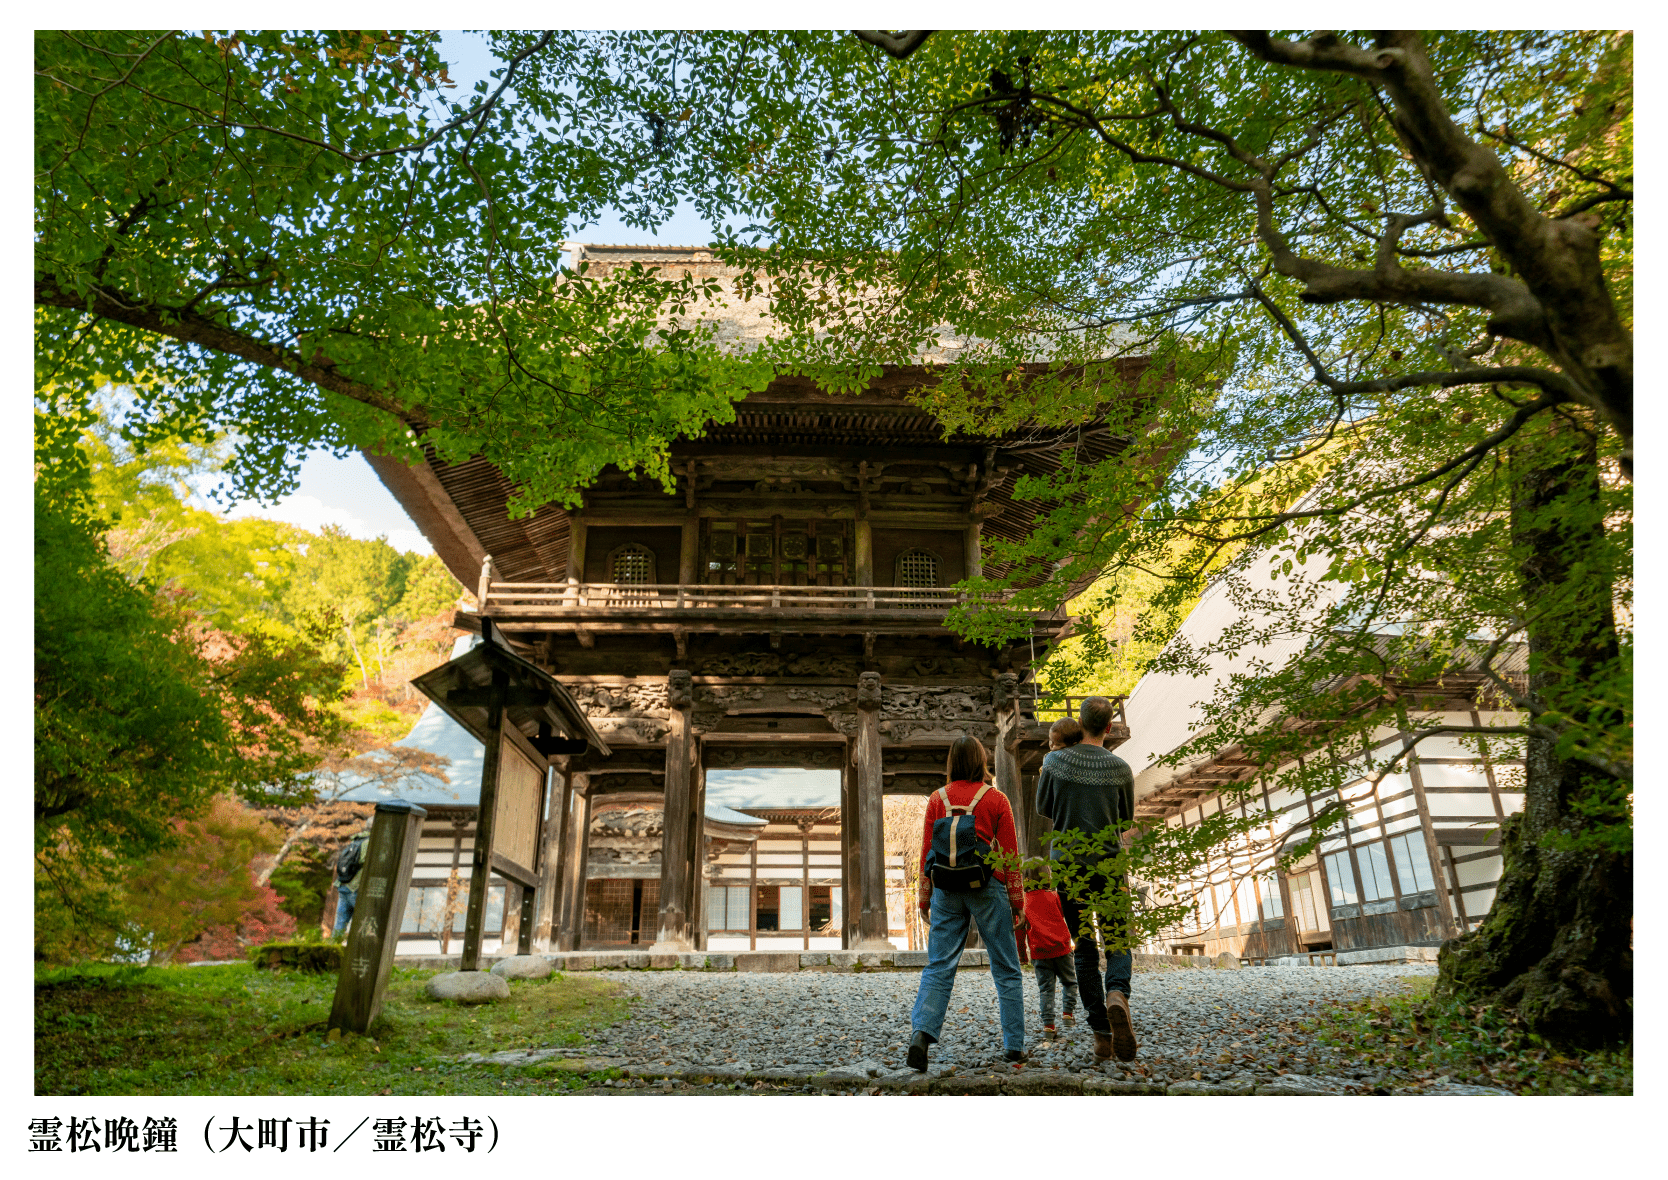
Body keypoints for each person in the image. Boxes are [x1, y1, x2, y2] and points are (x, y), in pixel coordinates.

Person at [907, 734, 1030, 1071]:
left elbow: (927, 851)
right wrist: (1018, 901)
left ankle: (921, 1035)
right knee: (1006, 967)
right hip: (988, 887)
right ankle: (1014, 1046)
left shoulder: (937, 799)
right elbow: (1009, 855)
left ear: (952, 763)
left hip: (946, 887)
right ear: (981, 761)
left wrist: (924, 895)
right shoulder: (997, 799)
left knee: (939, 965)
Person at [1034, 696, 1140, 1061]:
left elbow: (1043, 807)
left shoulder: (1054, 761)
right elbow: (1125, 820)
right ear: (1109, 728)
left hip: (1068, 864)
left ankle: (1100, 1034)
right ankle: (1117, 993)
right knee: (1116, 938)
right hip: (1109, 864)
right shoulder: (1121, 768)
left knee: (1084, 945)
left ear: (1079, 724)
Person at [1019, 863, 1078, 1040]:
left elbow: (1019, 930)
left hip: (1040, 952)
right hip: (1061, 948)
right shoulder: (1055, 896)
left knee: (1046, 990)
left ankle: (1048, 1026)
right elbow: (1064, 916)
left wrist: (1023, 955)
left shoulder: (1023, 902)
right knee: (1070, 982)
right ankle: (1068, 1014)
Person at [332, 821, 371, 938]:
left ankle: (334, 949)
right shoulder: (370, 842)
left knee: (340, 923)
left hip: (344, 885)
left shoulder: (356, 840)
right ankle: (357, 953)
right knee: (362, 923)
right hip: (356, 888)